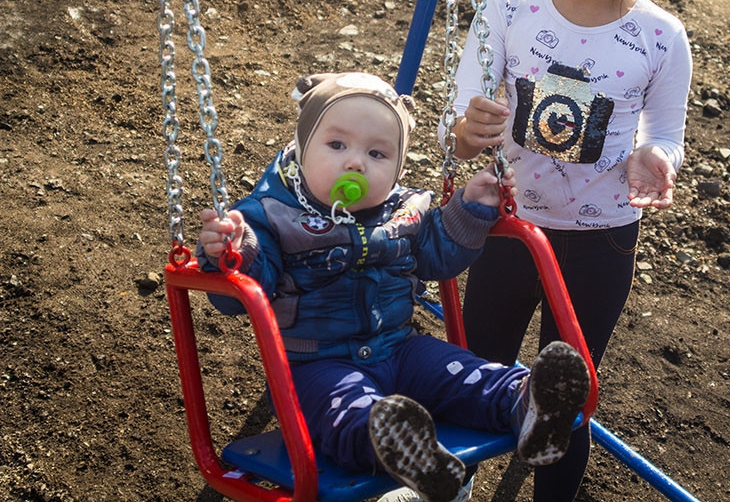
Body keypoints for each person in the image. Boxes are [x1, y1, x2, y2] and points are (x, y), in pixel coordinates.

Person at [197, 71, 591, 502]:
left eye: (377, 153)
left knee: (461, 373)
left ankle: (528, 403)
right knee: (345, 409)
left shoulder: (403, 211)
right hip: (315, 365)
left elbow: (439, 257)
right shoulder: (271, 216)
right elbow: (239, 296)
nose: (356, 163)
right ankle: (397, 446)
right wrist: (233, 251)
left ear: (398, 167)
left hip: (401, 349)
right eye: (336, 145)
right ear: (302, 147)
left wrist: (472, 207)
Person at [440, 0, 692, 500]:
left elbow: (667, 134)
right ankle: (455, 485)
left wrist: (656, 158)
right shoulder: (509, 7)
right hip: (507, 229)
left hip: (600, 243)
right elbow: (455, 130)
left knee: (565, 398)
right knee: (476, 374)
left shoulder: (660, 37)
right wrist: (466, 131)